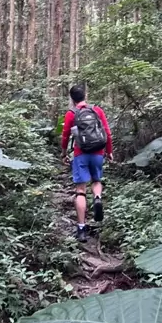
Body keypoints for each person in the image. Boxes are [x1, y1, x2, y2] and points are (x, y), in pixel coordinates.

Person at [60, 85, 113, 242]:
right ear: (85, 95)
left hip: (80, 154)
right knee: (96, 181)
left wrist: (63, 154)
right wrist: (109, 151)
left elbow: (65, 136)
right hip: (97, 153)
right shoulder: (97, 110)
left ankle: (81, 228)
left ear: (72, 98)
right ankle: (97, 197)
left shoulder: (71, 114)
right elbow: (107, 133)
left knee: (80, 190)